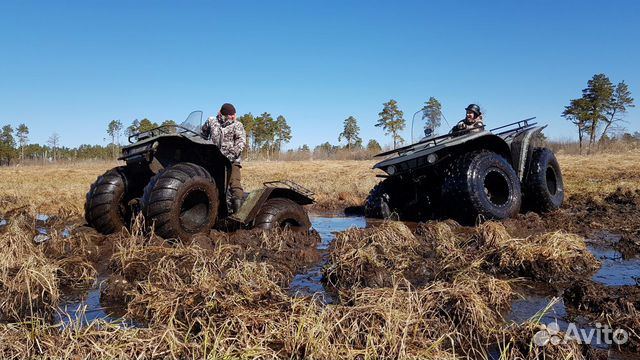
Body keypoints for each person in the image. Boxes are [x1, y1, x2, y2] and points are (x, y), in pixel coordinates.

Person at [201, 103, 246, 212]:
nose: (234, 116)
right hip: (214, 160)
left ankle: (237, 216)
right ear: (223, 114)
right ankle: (212, 211)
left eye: (234, 114)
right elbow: (202, 135)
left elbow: (241, 142)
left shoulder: (237, 125)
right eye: (231, 115)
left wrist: (232, 155)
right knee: (210, 184)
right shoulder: (211, 121)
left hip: (232, 161)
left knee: (235, 185)